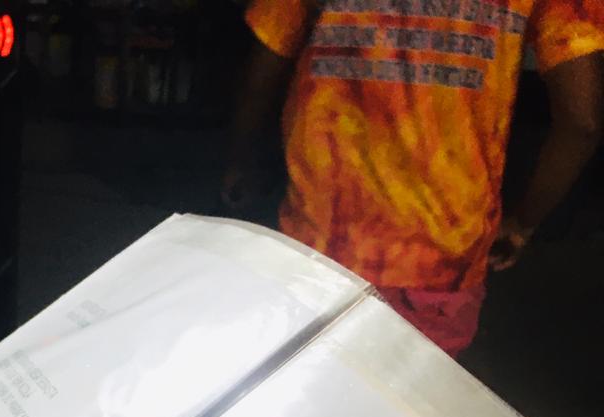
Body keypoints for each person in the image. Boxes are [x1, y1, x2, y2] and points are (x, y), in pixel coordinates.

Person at [224, 0, 604, 356]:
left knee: (307, 387)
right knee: (408, 398)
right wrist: (523, 223)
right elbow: (581, 121)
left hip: (318, 239)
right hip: (442, 256)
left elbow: (264, 68)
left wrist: (241, 161)